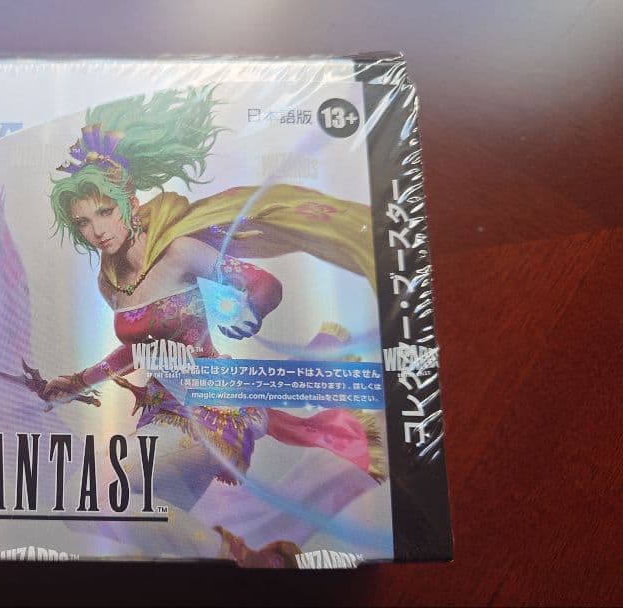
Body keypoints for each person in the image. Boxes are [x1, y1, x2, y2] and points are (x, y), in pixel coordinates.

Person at [39, 86, 386, 567]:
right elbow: (140, 352)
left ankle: (244, 560)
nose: (98, 230)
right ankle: (259, 564)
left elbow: (264, 285)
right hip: (159, 414)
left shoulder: (179, 253)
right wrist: (77, 382)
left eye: (105, 212)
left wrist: (246, 311)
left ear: (129, 203)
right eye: (82, 223)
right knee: (149, 536)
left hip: (209, 412)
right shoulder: (109, 280)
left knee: (93, 497)